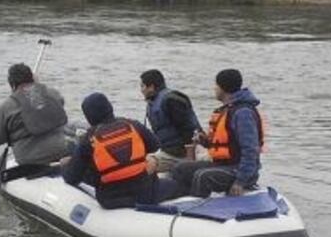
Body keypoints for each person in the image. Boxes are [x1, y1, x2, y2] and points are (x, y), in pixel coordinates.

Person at [63, 92, 180, 210]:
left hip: (111, 200)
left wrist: (68, 165)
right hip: (145, 194)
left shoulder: (88, 140)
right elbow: (155, 145)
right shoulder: (133, 125)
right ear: (110, 108)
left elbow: (71, 177)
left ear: (88, 117)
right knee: (176, 184)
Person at [171, 69, 264, 197]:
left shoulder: (243, 113)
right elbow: (223, 145)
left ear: (223, 88)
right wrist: (204, 141)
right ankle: (180, 201)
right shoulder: (227, 109)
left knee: (202, 176)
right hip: (222, 165)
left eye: (216, 85)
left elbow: (251, 150)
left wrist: (240, 181)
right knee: (181, 168)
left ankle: (197, 210)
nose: (214, 89)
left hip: (238, 170)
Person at [0, 63, 69, 166]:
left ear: (12, 85)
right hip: (61, 149)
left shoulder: (4, 109)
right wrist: (36, 88)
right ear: (33, 78)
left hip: (28, 158)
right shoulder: (53, 94)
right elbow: (60, 105)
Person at [139, 69, 202, 173]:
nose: (141, 90)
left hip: (182, 153)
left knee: (143, 166)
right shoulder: (154, 101)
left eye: (142, 86)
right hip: (169, 151)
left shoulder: (171, 101)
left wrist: (190, 161)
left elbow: (187, 130)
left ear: (151, 87)